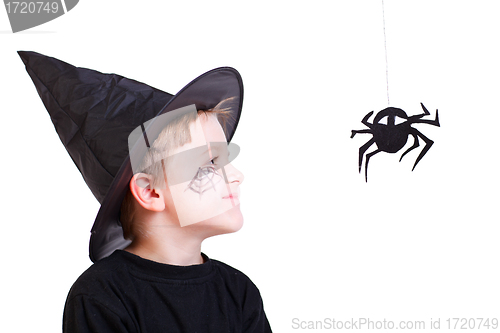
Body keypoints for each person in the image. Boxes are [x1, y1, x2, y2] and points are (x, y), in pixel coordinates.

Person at [18, 51, 271, 332]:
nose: (236, 176)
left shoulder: (238, 292)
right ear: (150, 192)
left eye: (226, 160)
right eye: (210, 163)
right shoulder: (102, 296)